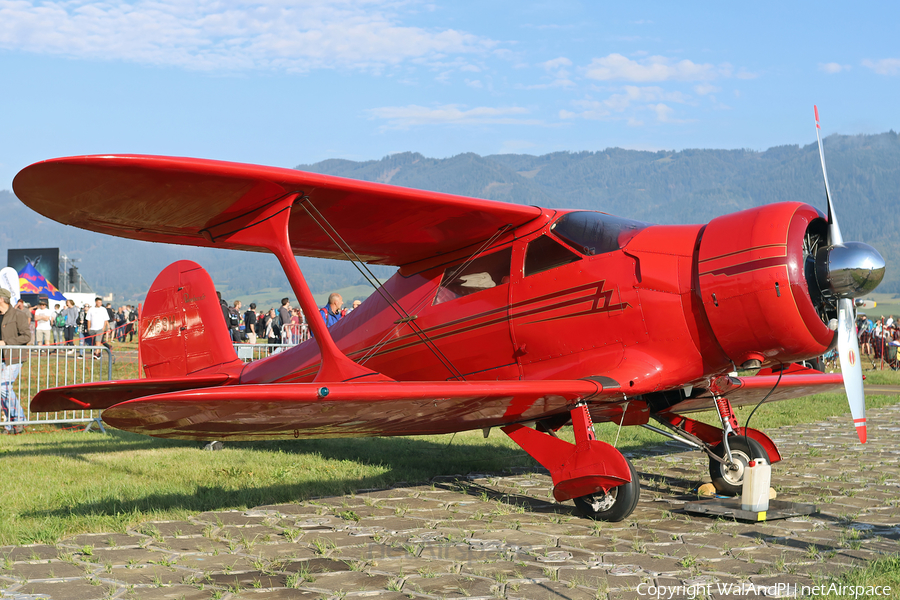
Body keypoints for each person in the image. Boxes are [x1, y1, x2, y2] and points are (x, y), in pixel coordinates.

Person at [0, 288, 31, 433]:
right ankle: (10, 424)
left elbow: (26, 336)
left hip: (14, 357)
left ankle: (19, 419)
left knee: (4, 388)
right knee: (2, 391)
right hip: (2, 357)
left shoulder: (18, 315)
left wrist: (6, 342)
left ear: (1, 299)